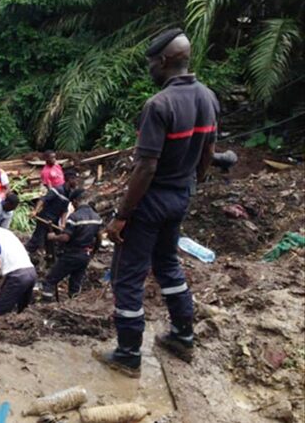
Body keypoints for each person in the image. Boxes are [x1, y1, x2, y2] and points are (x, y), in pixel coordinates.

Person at [94, 29, 218, 377]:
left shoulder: (159, 105)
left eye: (151, 62)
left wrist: (121, 216)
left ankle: (129, 354)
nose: (149, 67)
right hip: (181, 196)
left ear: (163, 61)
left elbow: (145, 166)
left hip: (151, 202)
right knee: (167, 264)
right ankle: (182, 334)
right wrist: (196, 181)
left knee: (127, 276)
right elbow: (208, 151)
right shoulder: (208, 97)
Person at [41, 189, 102, 300]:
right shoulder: (96, 217)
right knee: (75, 283)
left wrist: (53, 237)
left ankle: (45, 305)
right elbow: (99, 238)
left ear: (75, 201)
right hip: (85, 254)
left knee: (50, 280)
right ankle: (73, 303)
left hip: (72, 254)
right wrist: (93, 252)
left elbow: (65, 238)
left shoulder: (74, 217)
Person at [25, 183, 70, 253]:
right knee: (38, 237)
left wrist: (63, 224)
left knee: (53, 240)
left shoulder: (69, 194)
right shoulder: (57, 190)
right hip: (44, 218)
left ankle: (48, 255)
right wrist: (35, 211)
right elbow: (43, 199)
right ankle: (28, 251)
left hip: (54, 221)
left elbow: (65, 210)